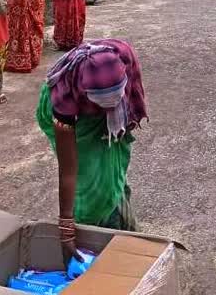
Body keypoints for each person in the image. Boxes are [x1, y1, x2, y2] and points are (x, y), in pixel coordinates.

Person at [36, 39, 148, 261]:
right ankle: (91, 233)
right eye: (102, 104)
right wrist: (66, 226)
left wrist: (118, 115)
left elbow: (130, 98)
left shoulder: (124, 56)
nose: (110, 110)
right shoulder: (63, 98)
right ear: (86, 94)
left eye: (116, 101)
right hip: (76, 115)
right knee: (90, 182)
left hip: (94, 101)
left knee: (111, 165)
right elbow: (69, 170)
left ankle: (118, 216)